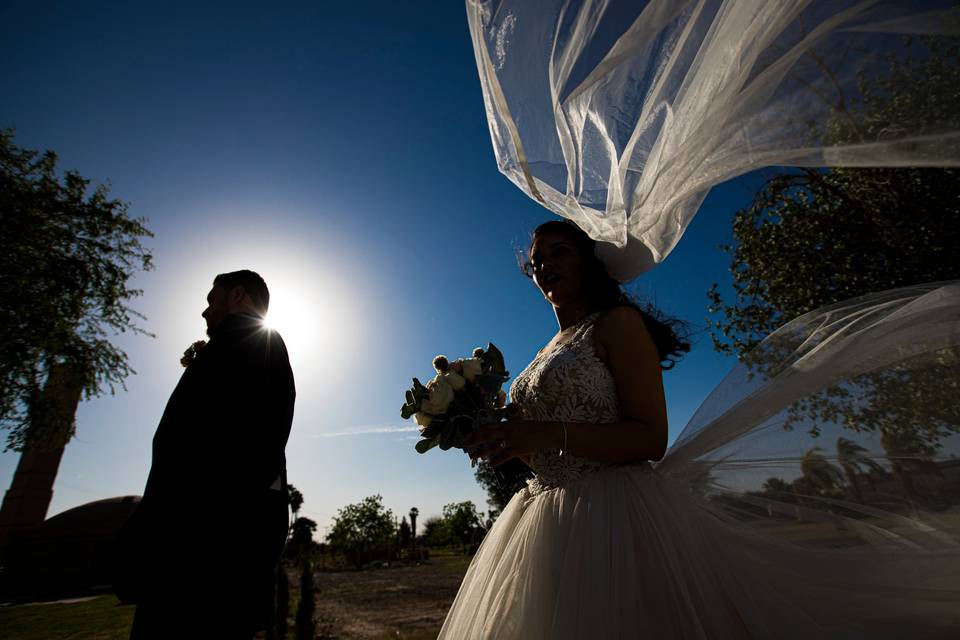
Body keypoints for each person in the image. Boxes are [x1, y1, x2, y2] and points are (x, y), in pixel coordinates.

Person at [440, 221, 960, 638]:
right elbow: (546, 448)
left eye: (559, 252)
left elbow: (649, 438)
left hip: (615, 517)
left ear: (588, 260)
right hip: (543, 519)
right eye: (537, 262)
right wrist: (496, 436)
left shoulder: (617, 325)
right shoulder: (540, 355)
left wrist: (545, 435)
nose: (545, 266)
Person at [113, 270, 296, 639]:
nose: (205, 311)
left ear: (239, 296)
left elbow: (255, 441)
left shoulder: (258, 342)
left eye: (213, 299)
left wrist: (190, 527)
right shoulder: (232, 344)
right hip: (188, 545)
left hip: (205, 551)